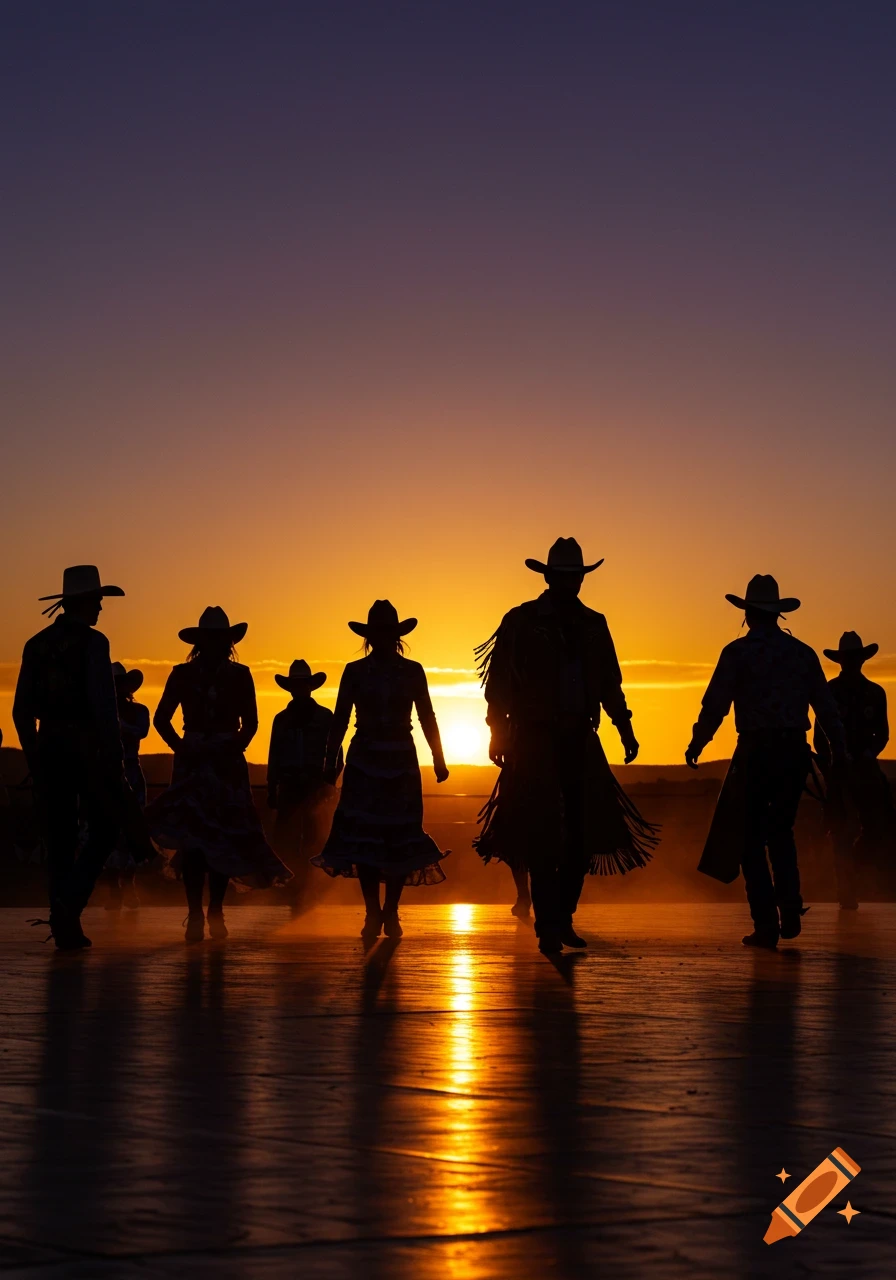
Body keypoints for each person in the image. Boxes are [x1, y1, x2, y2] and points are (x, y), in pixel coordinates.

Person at [474, 538, 657, 955]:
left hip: (578, 734)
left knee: (581, 831)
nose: (571, 583)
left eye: (575, 577)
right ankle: (549, 925)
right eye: (565, 577)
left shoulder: (594, 624)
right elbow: (499, 682)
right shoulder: (521, 621)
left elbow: (610, 681)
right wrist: (496, 730)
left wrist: (624, 726)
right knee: (542, 830)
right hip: (535, 736)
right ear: (551, 577)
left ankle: (561, 917)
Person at [686, 574, 848, 949]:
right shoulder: (802, 654)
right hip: (793, 752)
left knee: (751, 841)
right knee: (781, 832)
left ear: (748, 614)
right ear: (777, 613)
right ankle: (790, 909)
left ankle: (766, 924)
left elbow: (715, 706)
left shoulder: (737, 653)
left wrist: (698, 741)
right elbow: (825, 706)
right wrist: (837, 749)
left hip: (756, 752)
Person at [145, 606, 291, 942]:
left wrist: (233, 745)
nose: (216, 644)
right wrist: (183, 747)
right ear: (202, 642)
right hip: (194, 761)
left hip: (224, 762)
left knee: (223, 838)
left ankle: (215, 909)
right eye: (211, 638)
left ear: (226, 642)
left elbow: (251, 722)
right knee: (195, 840)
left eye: (219, 639)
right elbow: (162, 719)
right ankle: (197, 911)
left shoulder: (241, 676)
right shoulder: (181, 674)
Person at [312, 600, 449, 940]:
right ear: (370, 638)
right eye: (379, 634)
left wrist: (438, 756)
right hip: (366, 759)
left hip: (400, 757)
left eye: (388, 633)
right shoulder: (355, 672)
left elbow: (427, 714)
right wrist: (330, 758)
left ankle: (390, 910)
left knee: (399, 835)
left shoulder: (412, 671)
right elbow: (341, 717)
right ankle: (375, 910)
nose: (383, 639)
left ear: (396, 636)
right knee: (366, 838)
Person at [12, 565, 127, 948]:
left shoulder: (36, 644)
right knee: (106, 829)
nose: (100, 609)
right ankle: (69, 907)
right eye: (97, 601)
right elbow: (104, 705)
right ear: (85, 602)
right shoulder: (95, 643)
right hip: (88, 748)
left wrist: (34, 758)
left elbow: (21, 711)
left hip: (49, 748)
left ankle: (65, 923)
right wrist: (116, 757)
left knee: (60, 838)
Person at [814, 632, 894, 909]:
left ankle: (850, 876)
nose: (851, 663)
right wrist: (834, 760)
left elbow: (882, 734)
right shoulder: (829, 692)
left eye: (853, 658)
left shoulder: (875, 693)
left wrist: (867, 754)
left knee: (877, 825)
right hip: (839, 770)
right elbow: (819, 738)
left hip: (863, 767)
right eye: (848, 658)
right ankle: (846, 889)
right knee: (839, 830)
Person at [267, 659, 342, 913]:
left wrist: (328, 783)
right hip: (291, 785)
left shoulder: (322, 718)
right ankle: (296, 890)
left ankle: (308, 891)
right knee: (289, 841)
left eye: (302, 685)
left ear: (309, 687)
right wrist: (272, 787)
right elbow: (274, 755)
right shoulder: (288, 719)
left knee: (313, 840)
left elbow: (336, 754)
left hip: (313, 786)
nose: (299, 689)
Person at [103, 663, 151, 909]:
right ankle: (115, 888)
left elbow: (141, 732)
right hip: (106, 772)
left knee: (131, 828)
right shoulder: (98, 712)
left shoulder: (139, 711)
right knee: (107, 828)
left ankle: (127, 884)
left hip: (129, 770)